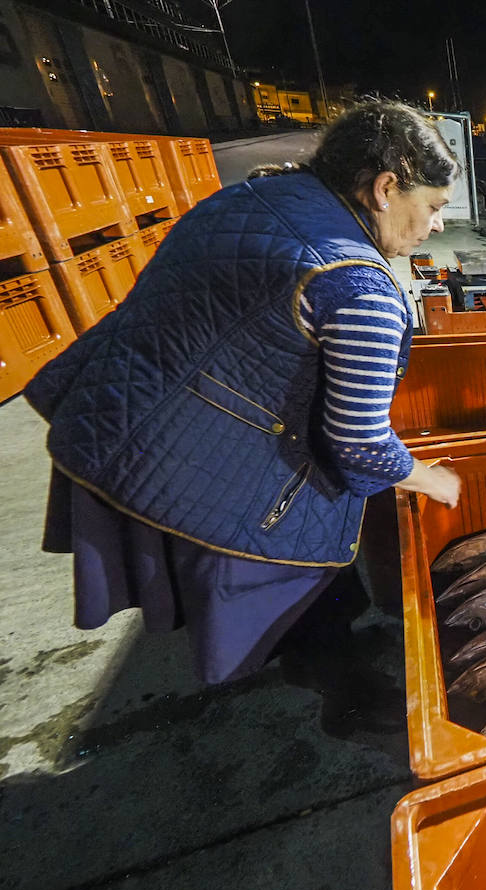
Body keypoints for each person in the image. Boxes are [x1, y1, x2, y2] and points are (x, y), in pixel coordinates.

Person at [25, 100, 461, 735]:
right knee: (303, 568)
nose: (438, 226)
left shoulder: (252, 198)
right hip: (199, 460)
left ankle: (328, 659)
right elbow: (358, 442)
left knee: (325, 589)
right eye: (433, 207)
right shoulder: (360, 287)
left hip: (124, 420)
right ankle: (347, 695)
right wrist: (427, 477)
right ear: (385, 187)